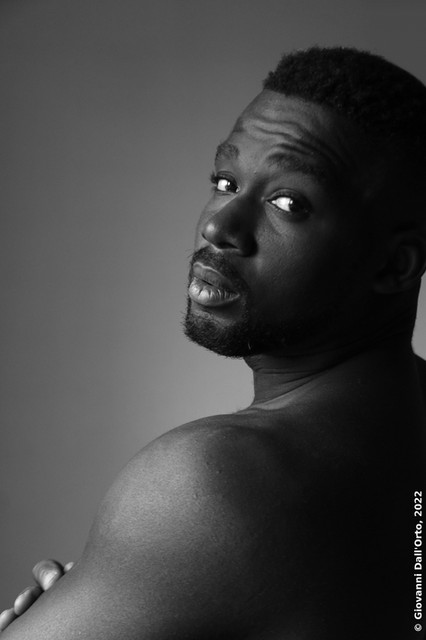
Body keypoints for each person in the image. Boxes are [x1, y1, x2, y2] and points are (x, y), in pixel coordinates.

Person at [1, 46, 426, 639]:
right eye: (226, 182)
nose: (217, 226)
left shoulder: (212, 482)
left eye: (288, 203)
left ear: (395, 264)